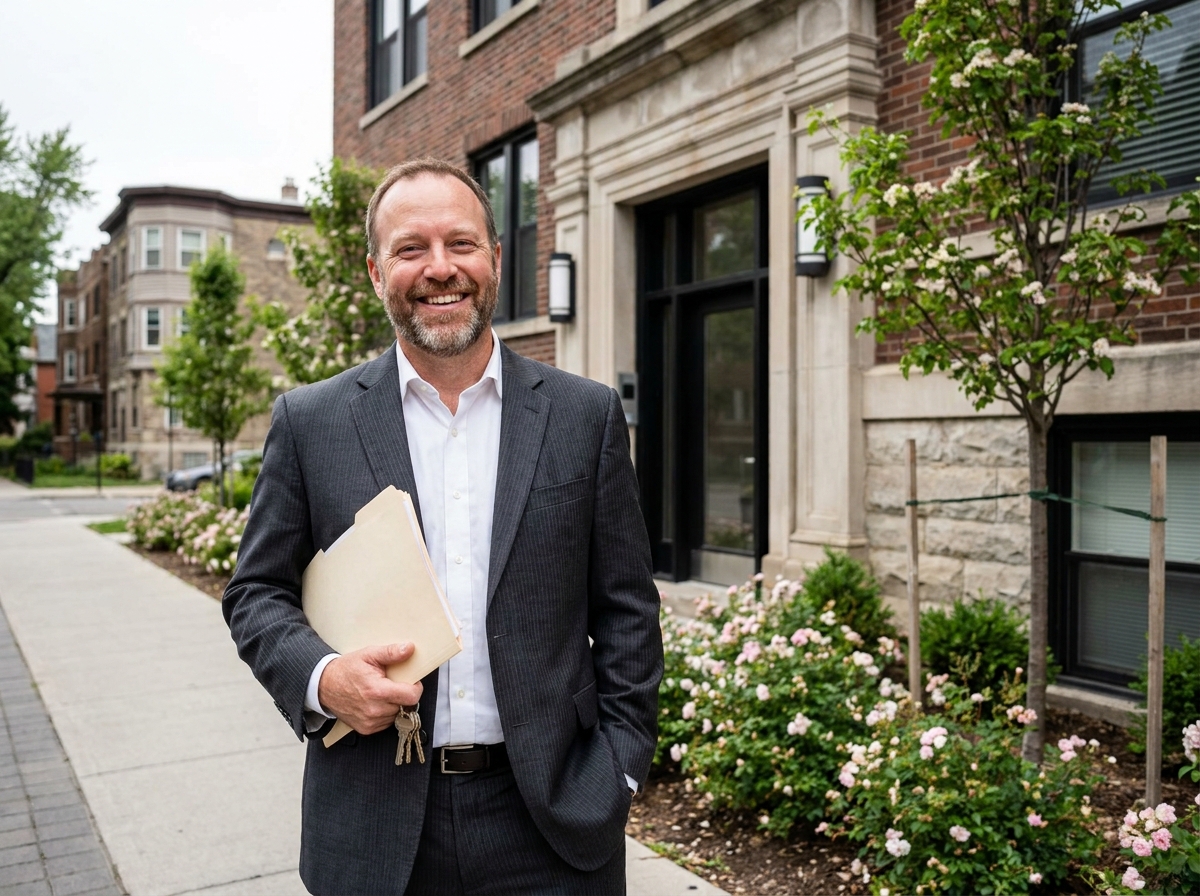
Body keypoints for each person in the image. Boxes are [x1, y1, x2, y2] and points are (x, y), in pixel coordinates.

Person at [223, 157, 663, 896]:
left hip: (553, 821)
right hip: (374, 823)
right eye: (410, 249)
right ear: (374, 271)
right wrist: (324, 679)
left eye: (460, 245)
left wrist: (619, 765)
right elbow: (256, 592)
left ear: (494, 259)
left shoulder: (582, 415)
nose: (439, 269)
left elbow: (627, 608)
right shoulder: (312, 422)